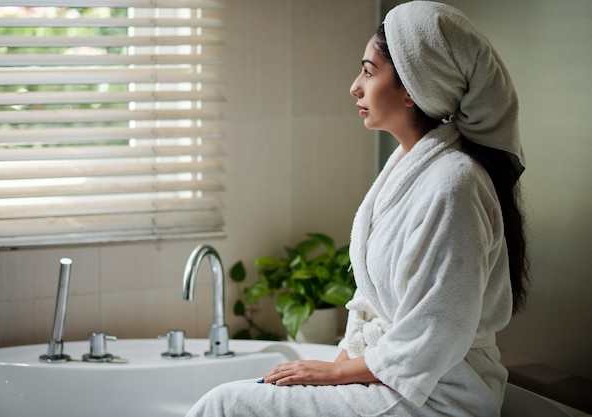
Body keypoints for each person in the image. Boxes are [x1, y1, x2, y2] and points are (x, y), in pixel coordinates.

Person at [186, 1, 528, 416]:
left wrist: (332, 375)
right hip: (394, 376)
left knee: (227, 404)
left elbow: (434, 333)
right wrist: (338, 362)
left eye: (368, 71)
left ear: (412, 86)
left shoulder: (454, 184)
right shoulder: (405, 164)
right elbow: (369, 296)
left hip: (439, 394)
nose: (355, 86)